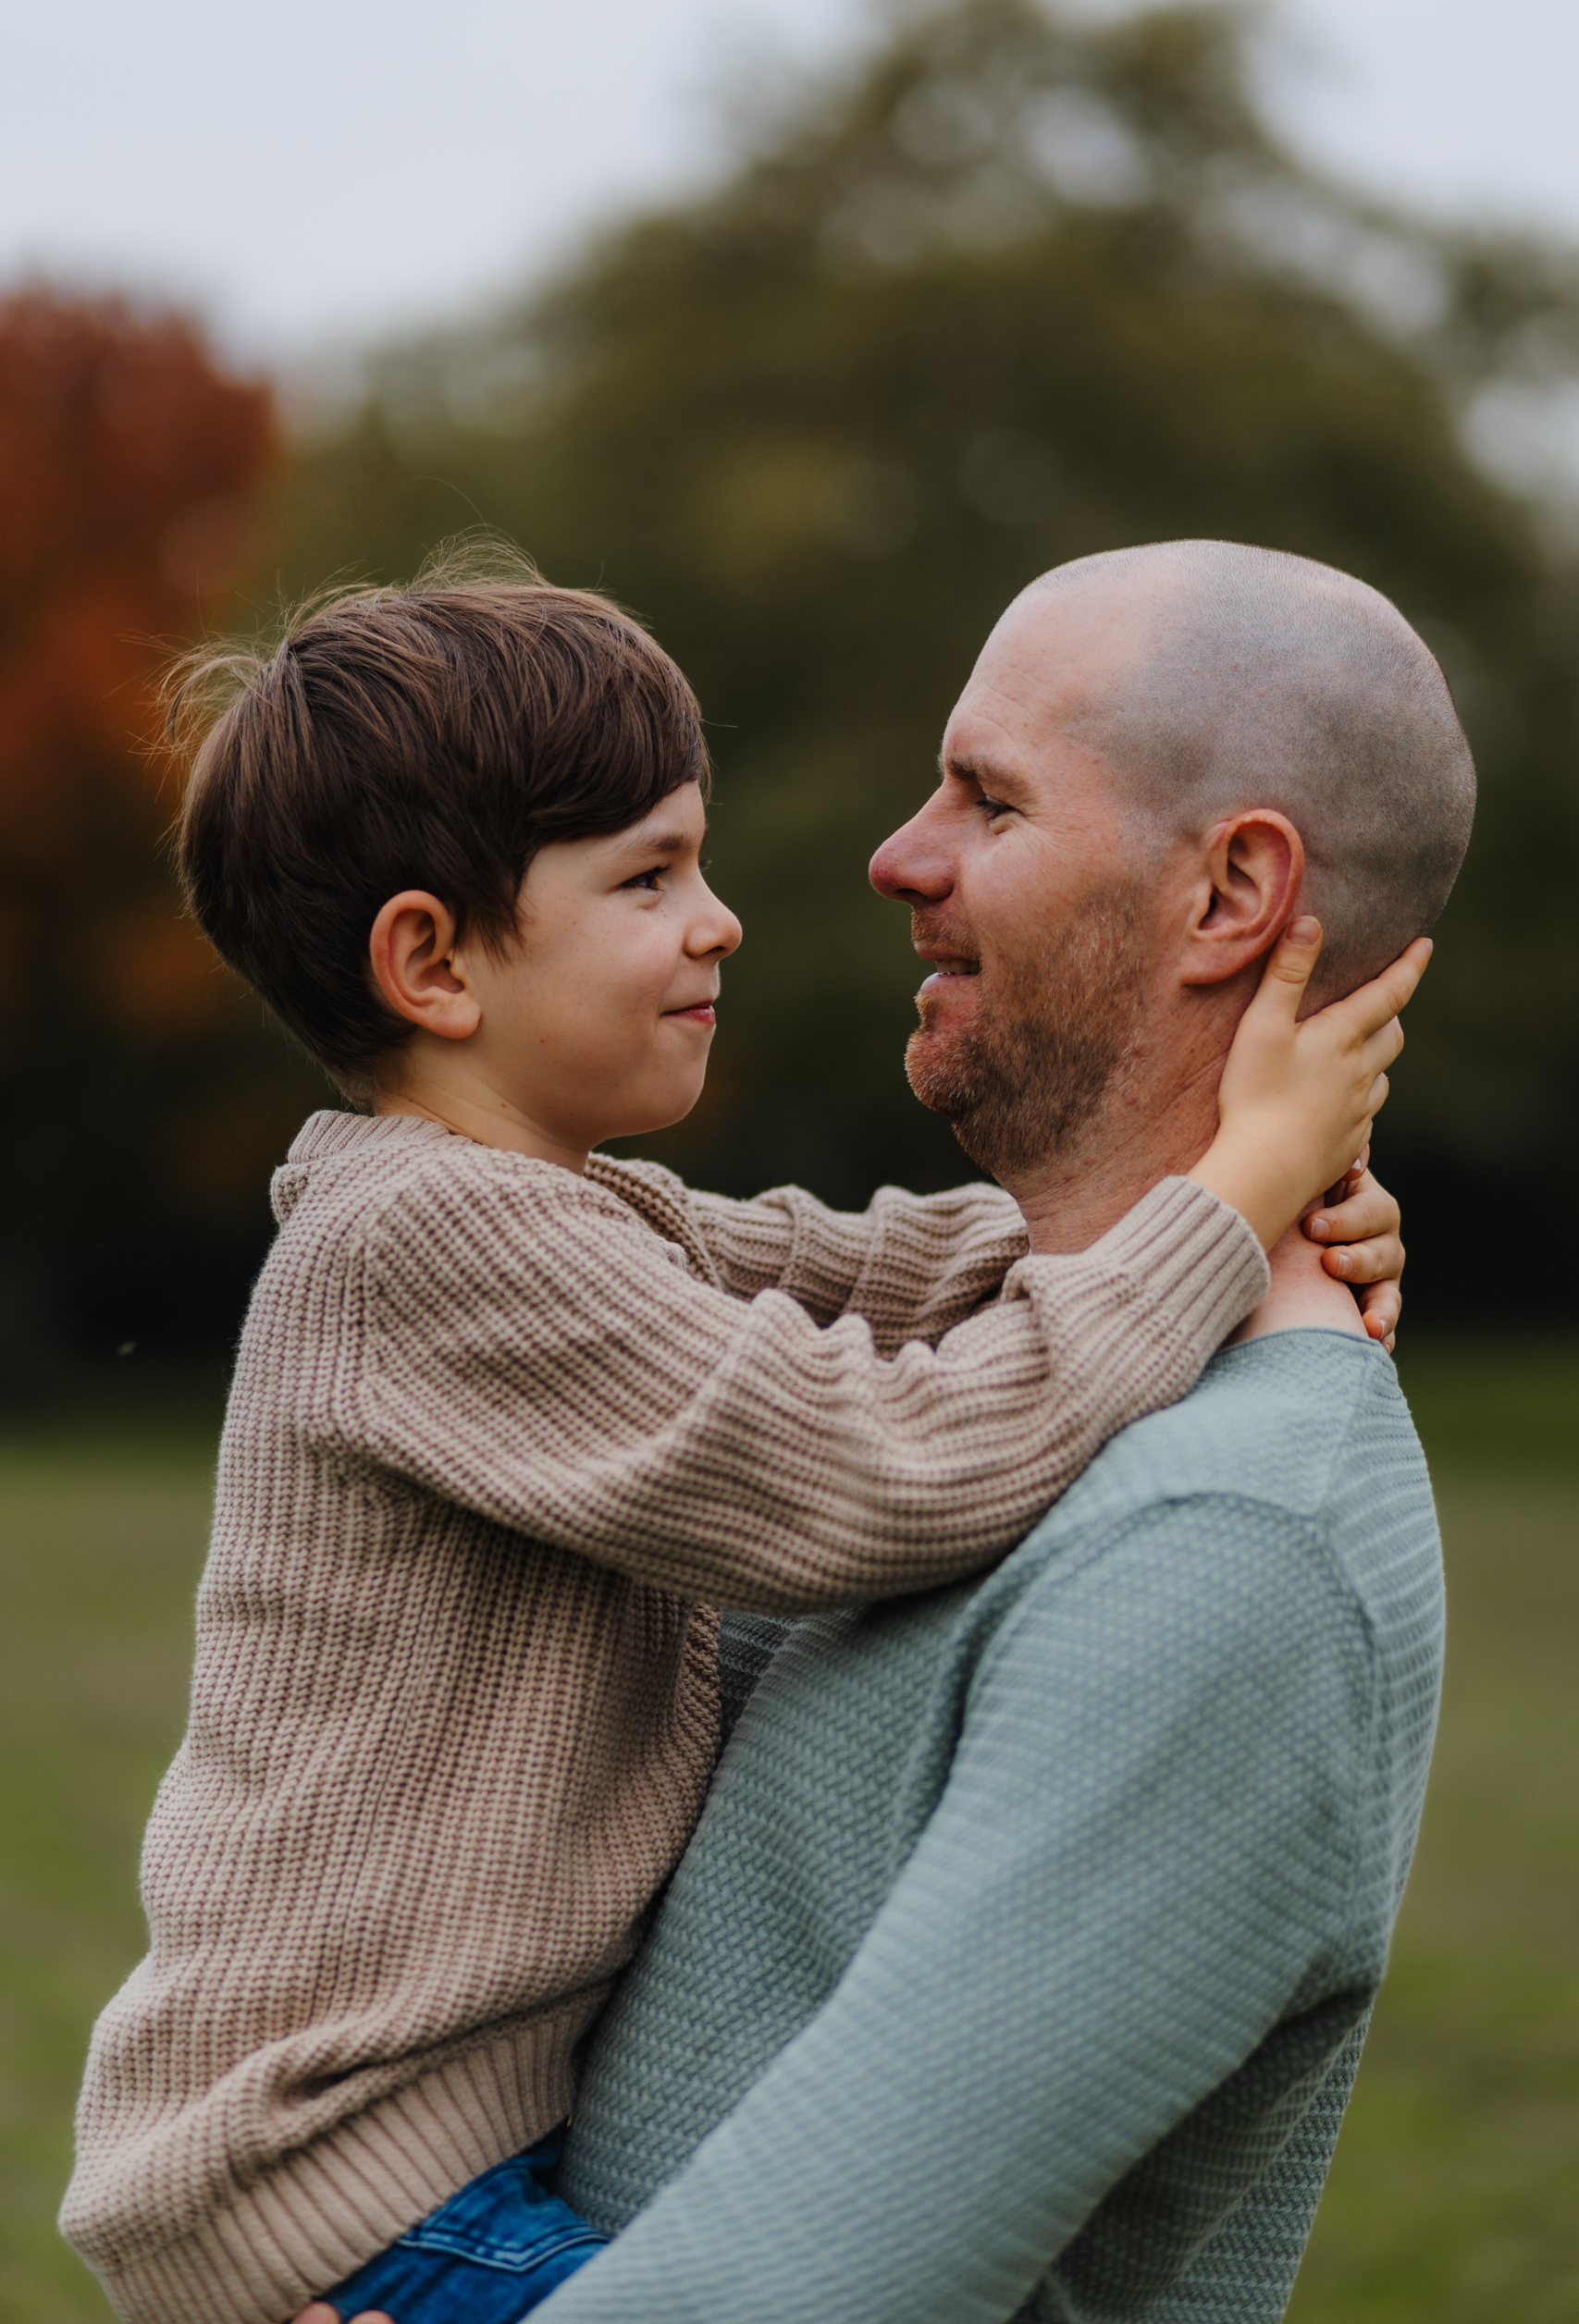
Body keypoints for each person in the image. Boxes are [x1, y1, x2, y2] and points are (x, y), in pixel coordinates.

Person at [58, 556, 1413, 2324]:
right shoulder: (430, 1247)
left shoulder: (574, 1215)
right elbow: (875, 1467)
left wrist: (1257, 1212)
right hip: (345, 2190)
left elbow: (885, 1270)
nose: (723, 918)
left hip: (428, 2162)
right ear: (434, 960)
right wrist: (1228, 1205)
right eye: (647, 877)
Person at [495, 540, 1468, 2322]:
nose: (897, 855)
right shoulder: (982, 1372)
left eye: (988, 799)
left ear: (1230, 892)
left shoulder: (1229, 1548)